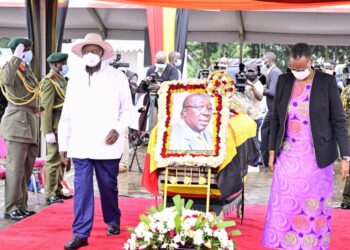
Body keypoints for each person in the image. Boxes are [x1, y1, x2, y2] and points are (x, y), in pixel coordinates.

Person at [262, 43, 350, 249]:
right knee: (284, 203)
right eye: (293, 68)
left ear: (311, 61)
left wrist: (346, 156)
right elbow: (274, 119)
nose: (297, 73)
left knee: (313, 208)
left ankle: (312, 244)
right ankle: (283, 244)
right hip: (288, 154)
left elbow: (338, 120)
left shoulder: (327, 82)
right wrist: (271, 152)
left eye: (301, 69)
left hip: (317, 158)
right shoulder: (284, 81)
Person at [58, 33, 132, 250]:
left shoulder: (117, 77)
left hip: (107, 145)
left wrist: (118, 130)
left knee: (108, 186)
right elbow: (67, 114)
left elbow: (128, 110)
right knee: (81, 189)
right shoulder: (75, 79)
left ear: (102, 53)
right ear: (82, 54)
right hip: (81, 144)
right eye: (87, 51)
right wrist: (64, 145)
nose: (91, 54)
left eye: (94, 50)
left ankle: (113, 219)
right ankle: (80, 233)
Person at [0, 38, 40, 221]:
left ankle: (21, 205)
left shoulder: (26, 70)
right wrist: (15, 58)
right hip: (17, 123)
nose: (30, 53)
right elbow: (7, 81)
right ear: (19, 51)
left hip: (30, 122)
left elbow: (33, 92)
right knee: (15, 169)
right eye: (27, 49)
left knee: (26, 169)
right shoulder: (11, 68)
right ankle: (10, 208)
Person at [40, 52, 72, 205]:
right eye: (63, 63)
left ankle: (58, 189)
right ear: (54, 65)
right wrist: (47, 132)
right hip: (54, 126)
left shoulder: (62, 80)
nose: (65, 66)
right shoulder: (49, 82)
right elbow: (45, 108)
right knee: (53, 160)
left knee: (62, 160)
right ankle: (50, 192)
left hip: (64, 126)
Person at [260, 52, 282, 167]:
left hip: (274, 109)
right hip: (272, 109)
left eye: (264, 59)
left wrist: (262, 89)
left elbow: (273, 92)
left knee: (269, 132)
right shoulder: (274, 72)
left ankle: (269, 159)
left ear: (269, 59)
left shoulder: (274, 72)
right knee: (266, 131)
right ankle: (267, 159)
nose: (263, 61)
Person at [119, 70, 138, 173]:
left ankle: (124, 163)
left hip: (125, 111)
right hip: (111, 111)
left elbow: (134, 89)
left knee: (124, 135)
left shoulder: (131, 75)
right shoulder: (108, 75)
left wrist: (127, 82)